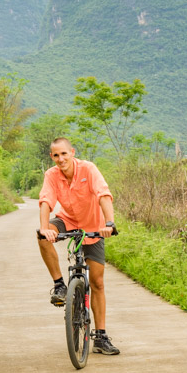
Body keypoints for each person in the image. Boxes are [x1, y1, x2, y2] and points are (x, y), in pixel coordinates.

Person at [36, 137, 120, 355]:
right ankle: (60, 285)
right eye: (56, 155)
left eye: (64, 154)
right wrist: (45, 227)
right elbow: (46, 201)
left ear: (72, 152)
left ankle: (100, 336)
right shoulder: (51, 175)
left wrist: (109, 223)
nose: (61, 159)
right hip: (68, 220)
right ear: (51, 157)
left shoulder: (88, 169)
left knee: (98, 282)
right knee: (42, 237)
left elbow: (104, 195)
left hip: (94, 226)